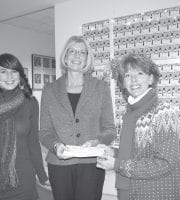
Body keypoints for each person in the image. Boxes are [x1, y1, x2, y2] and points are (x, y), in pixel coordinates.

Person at [39, 35, 116, 200]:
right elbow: (44, 131)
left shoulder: (101, 88)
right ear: (65, 56)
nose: (76, 56)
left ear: (87, 58)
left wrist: (96, 141)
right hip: (59, 165)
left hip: (91, 164)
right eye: (72, 51)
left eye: (82, 52)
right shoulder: (49, 90)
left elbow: (110, 129)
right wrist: (55, 145)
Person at [96, 53, 180, 200]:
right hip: (126, 188)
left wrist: (118, 165)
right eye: (128, 75)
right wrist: (114, 153)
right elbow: (137, 151)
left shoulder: (163, 112)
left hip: (154, 193)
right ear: (123, 82)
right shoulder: (130, 110)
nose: (134, 80)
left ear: (151, 78)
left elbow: (165, 162)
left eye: (140, 73)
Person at [0, 53, 49, 200]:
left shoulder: (31, 103)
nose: (9, 76)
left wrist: (42, 175)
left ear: (20, 76)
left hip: (24, 179)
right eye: (3, 71)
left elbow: (33, 143)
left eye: (14, 71)